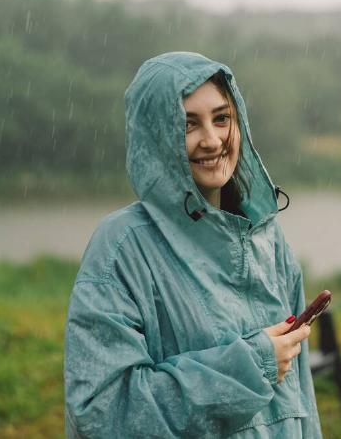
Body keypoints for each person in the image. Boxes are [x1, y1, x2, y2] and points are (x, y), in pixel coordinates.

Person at [64, 52, 322, 438]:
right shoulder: (123, 249)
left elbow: (301, 402)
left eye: (221, 118)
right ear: (156, 137)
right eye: (187, 125)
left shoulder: (267, 239)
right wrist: (250, 366)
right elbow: (103, 413)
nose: (212, 140)